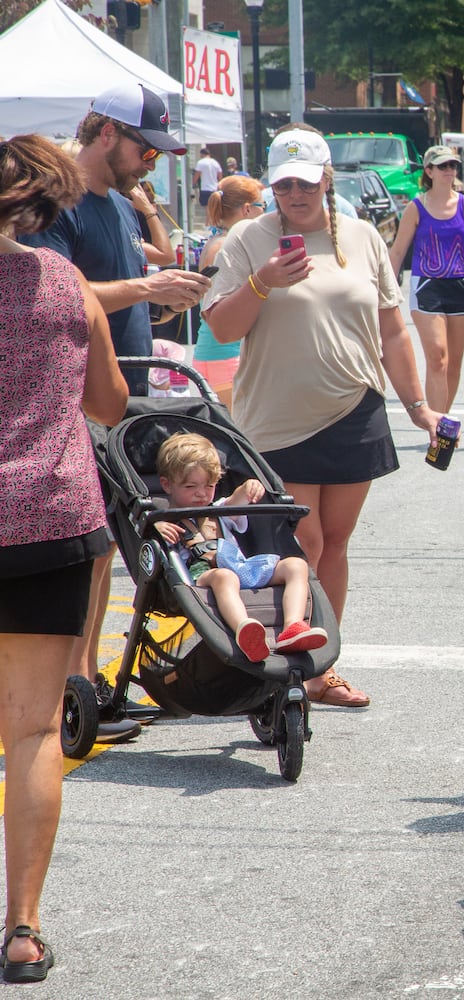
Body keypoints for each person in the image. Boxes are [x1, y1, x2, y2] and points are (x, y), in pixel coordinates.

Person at [203, 125, 442, 708]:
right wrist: (261, 283)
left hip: (353, 407)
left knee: (335, 540)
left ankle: (320, 667)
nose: (295, 195)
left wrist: (418, 406)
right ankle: (284, 664)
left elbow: (391, 328)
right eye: (283, 185)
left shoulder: (360, 237)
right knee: (301, 541)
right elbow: (221, 328)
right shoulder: (247, 240)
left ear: (326, 178)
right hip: (278, 418)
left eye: (305, 183)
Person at [21, 83, 212, 738]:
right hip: (77, 407)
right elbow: (52, 291)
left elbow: (114, 291)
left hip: (118, 405)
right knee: (90, 554)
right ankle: (73, 693)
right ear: (106, 134)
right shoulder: (60, 205)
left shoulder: (121, 206)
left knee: (104, 553)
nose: (151, 161)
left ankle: (87, 685)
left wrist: (160, 299)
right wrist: (148, 286)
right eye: (144, 147)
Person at [2, 133, 129, 986]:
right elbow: (110, 401)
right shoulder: (63, 283)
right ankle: (21, 928)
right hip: (47, 516)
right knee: (33, 729)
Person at [152, 432, 327, 661]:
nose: (201, 493)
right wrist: (156, 527)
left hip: (242, 567)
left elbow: (235, 501)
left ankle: (293, 625)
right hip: (202, 576)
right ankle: (244, 628)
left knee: (296, 565)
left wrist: (248, 488)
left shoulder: (220, 509)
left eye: (210, 485)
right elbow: (142, 530)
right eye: (190, 486)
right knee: (225, 577)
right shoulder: (166, 519)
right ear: (167, 484)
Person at [389, 145, 464, 416]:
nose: (449, 171)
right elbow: (397, 251)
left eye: (452, 166)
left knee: (453, 363)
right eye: (442, 166)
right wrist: (385, 291)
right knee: (437, 356)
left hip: (459, 285)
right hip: (426, 286)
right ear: (429, 171)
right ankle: (438, 426)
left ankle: (442, 420)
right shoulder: (416, 207)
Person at [193, 175, 266, 410]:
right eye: (262, 207)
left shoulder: (213, 243)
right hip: (228, 356)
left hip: (208, 350)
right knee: (240, 437)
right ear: (247, 209)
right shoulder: (228, 247)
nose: (265, 214)